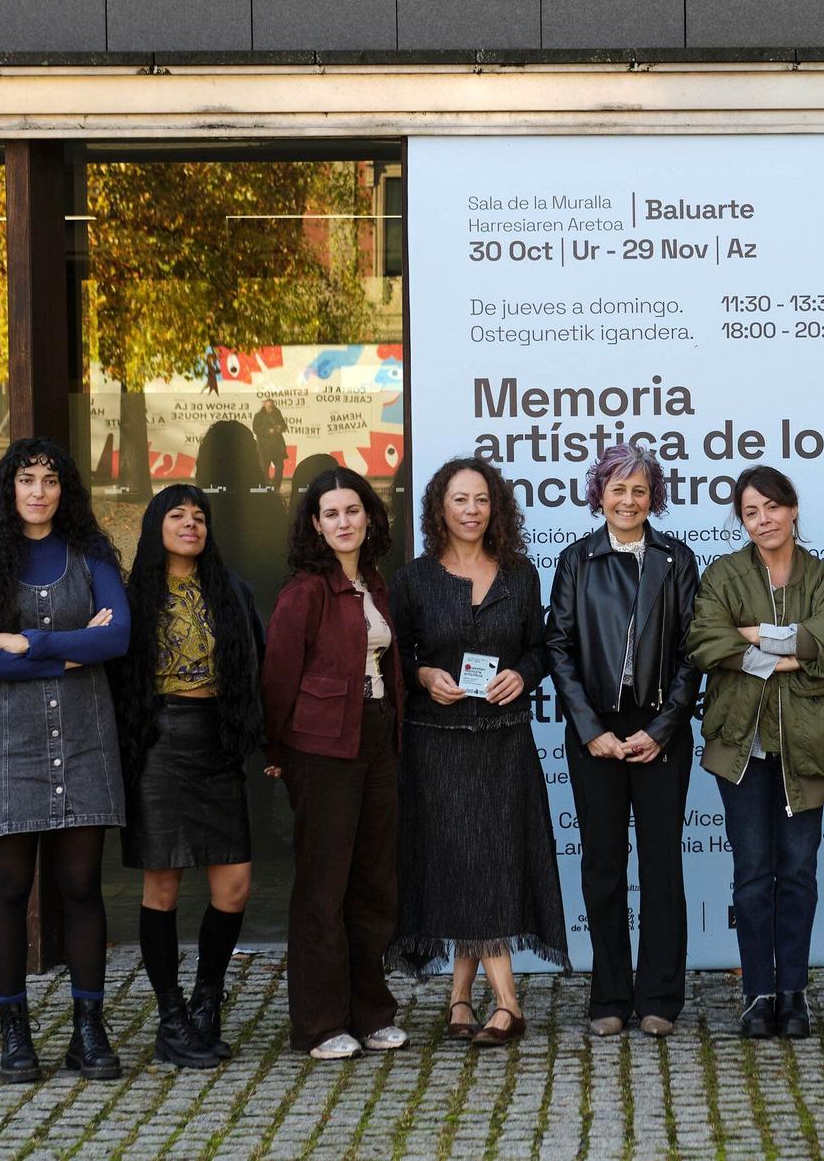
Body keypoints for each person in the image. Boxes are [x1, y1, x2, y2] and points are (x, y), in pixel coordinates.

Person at [0, 437, 130, 1083]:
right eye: (26, 480)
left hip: (84, 739)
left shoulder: (91, 555)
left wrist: (29, 642)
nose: (37, 491)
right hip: (7, 746)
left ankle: (89, 1029)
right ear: (9, 489)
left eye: (49, 481)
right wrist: (70, 654)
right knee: (10, 886)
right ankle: (14, 1033)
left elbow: (119, 635)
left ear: (64, 491)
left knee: (82, 885)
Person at [389, 458, 568, 1049]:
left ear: (497, 509)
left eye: (482, 500)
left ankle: (470, 997)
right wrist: (422, 676)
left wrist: (523, 673)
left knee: (490, 862)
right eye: (460, 499)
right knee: (461, 863)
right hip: (436, 745)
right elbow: (400, 656)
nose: (471, 510)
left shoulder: (520, 574)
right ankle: (503, 1003)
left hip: (503, 740)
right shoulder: (413, 579)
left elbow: (541, 649)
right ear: (439, 507)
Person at [687, 466, 824, 1039]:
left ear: (792, 509)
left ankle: (793, 992)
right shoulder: (723, 574)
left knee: (799, 873)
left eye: (771, 507)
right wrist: (790, 649)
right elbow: (705, 639)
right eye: (750, 512)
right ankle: (757, 993)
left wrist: (757, 636)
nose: (763, 520)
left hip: (807, 751)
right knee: (752, 874)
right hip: (740, 748)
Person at [547, 445, 701, 1038]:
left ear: (652, 497)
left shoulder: (676, 559)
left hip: (660, 731)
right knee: (604, 867)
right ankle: (609, 996)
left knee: (662, 865)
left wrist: (661, 731)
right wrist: (591, 732)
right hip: (597, 733)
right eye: (617, 489)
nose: (628, 501)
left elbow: (693, 654)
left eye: (639, 490)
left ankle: (660, 996)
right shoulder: (576, 561)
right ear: (599, 494)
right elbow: (558, 648)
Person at [115, 485, 266, 1069]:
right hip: (158, 744)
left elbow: (255, 664)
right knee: (164, 888)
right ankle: (171, 1016)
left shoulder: (232, 591)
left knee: (234, 886)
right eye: (177, 515)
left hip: (218, 741)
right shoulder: (134, 596)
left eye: (199, 516)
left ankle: (207, 1000)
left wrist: (261, 738)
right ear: (156, 525)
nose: (190, 524)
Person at [261, 467, 408, 1060]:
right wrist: (278, 753)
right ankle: (321, 1024)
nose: (344, 522)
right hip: (322, 749)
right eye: (331, 514)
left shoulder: (374, 582)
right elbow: (276, 679)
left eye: (352, 510)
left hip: (377, 739)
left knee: (373, 882)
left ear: (368, 517)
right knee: (325, 886)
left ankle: (371, 1013)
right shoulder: (305, 591)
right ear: (316, 527)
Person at [253, 399, 289, 486]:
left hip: (277, 446)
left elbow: (284, 425)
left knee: (280, 467)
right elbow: (255, 429)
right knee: (264, 468)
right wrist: (268, 431)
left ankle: (275, 486)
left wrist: (281, 427)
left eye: (271, 406)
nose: (270, 408)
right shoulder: (259, 416)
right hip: (264, 447)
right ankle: (266, 486)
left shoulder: (277, 414)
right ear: (264, 406)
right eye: (268, 406)